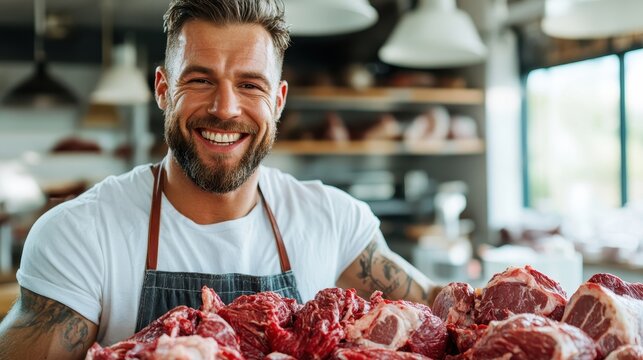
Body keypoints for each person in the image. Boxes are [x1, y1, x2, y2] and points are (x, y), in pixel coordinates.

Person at [0, 0, 442, 358]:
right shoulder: (81, 233)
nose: (225, 108)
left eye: (250, 85)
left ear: (279, 99)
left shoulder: (333, 220)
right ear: (162, 89)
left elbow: (445, 315)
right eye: (199, 80)